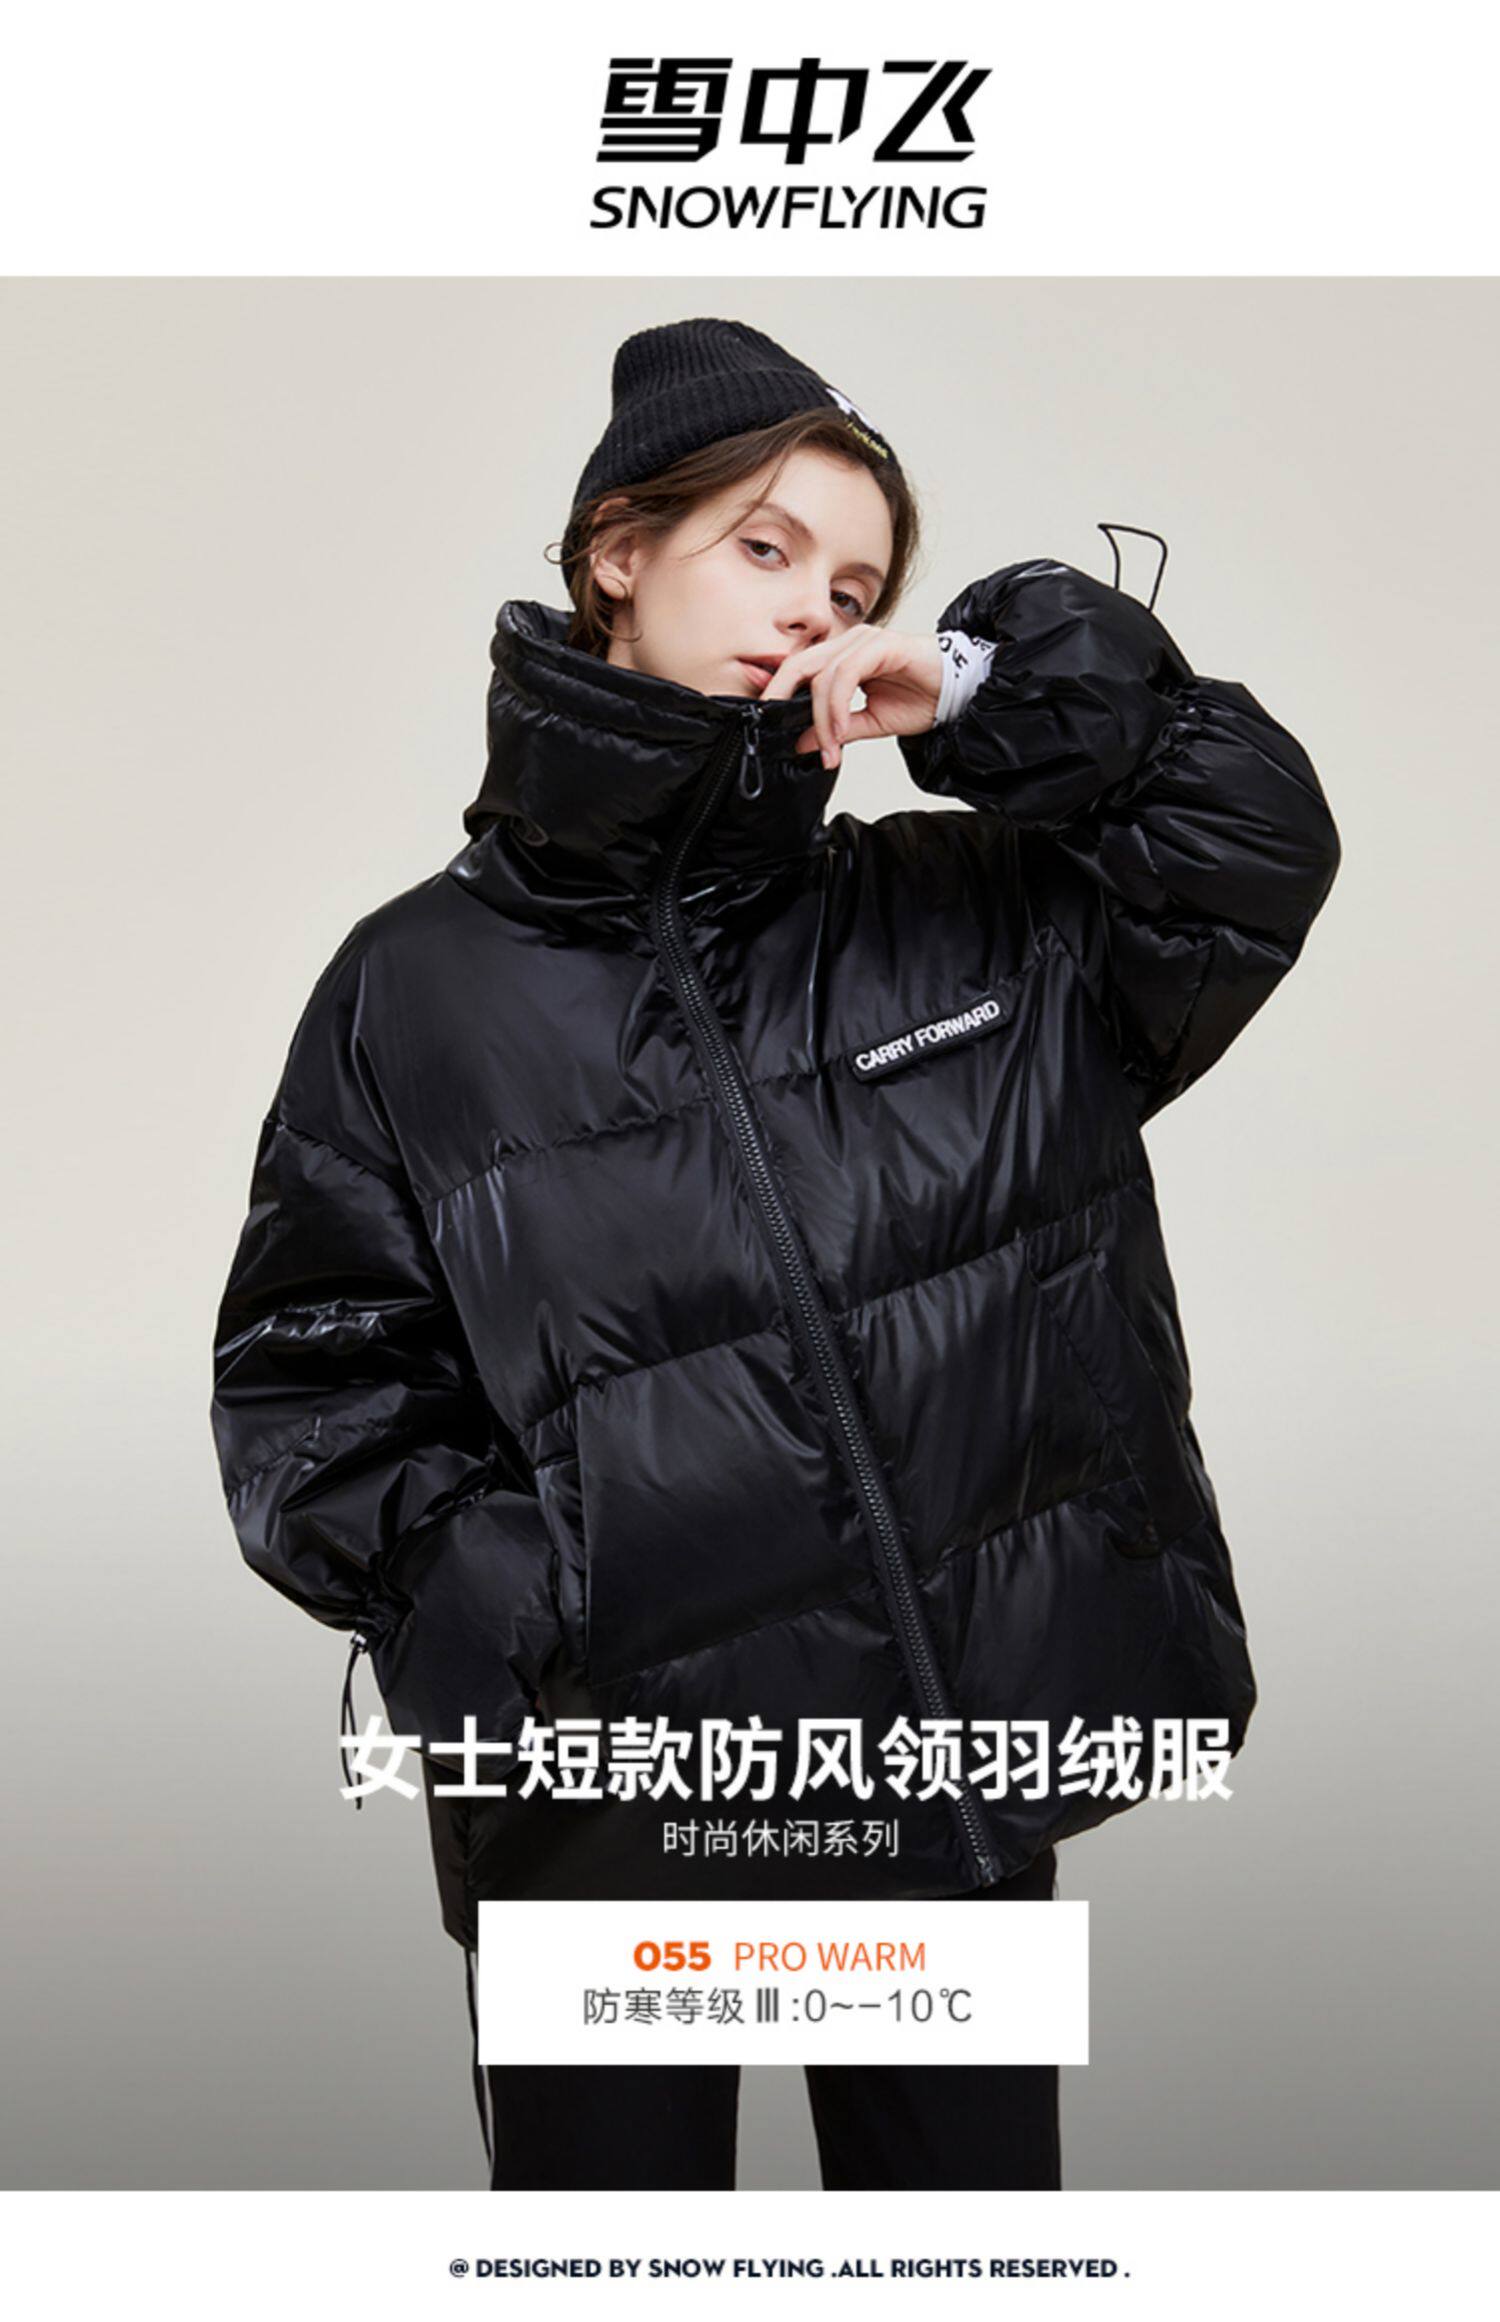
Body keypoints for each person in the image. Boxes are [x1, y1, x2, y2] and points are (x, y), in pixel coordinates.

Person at [209, 317, 1341, 2191]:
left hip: (941, 1772)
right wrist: (524, 1610)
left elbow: (1250, 844)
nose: (812, 604)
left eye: (856, 585)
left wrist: (979, 688)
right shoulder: (414, 988)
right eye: (764, 545)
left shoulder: (964, 918)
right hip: (605, 1799)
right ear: (617, 552)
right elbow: (312, 1381)